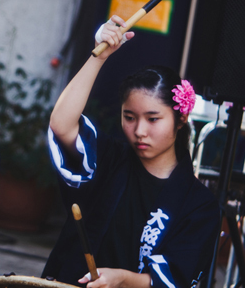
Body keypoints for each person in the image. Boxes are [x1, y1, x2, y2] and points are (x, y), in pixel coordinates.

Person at [42, 15, 220, 288]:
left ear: (181, 118)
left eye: (153, 119)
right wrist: (98, 56)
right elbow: (62, 125)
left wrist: (123, 279)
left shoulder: (199, 204)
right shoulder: (110, 159)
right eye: (129, 117)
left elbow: (178, 278)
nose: (139, 131)